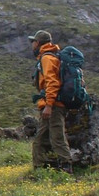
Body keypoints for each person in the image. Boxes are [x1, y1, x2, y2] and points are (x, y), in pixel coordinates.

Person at [29, 29, 70, 168]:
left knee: (57, 138)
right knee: (41, 140)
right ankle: (41, 169)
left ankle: (66, 168)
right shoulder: (52, 56)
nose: (32, 45)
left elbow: (52, 82)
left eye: (33, 41)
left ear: (38, 42)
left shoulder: (47, 58)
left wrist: (49, 105)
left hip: (53, 106)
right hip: (53, 104)